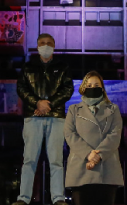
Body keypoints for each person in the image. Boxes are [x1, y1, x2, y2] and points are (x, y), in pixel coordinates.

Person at [14, 33, 74, 205]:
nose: (45, 46)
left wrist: (48, 105)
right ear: (37, 46)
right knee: (29, 159)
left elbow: (67, 89)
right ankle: (23, 198)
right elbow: (21, 89)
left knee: (55, 159)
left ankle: (58, 198)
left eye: (48, 43)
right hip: (33, 116)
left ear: (54, 46)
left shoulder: (63, 67)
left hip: (56, 117)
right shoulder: (28, 67)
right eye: (42, 43)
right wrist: (37, 103)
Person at [64, 71, 124, 205]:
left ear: (102, 87)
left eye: (96, 84)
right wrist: (88, 154)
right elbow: (69, 134)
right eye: (89, 85)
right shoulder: (74, 109)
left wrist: (98, 155)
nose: (92, 87)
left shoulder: (113, 109)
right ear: (83, 88)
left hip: (107, 170)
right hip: (81, 168)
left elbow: (115, 134)